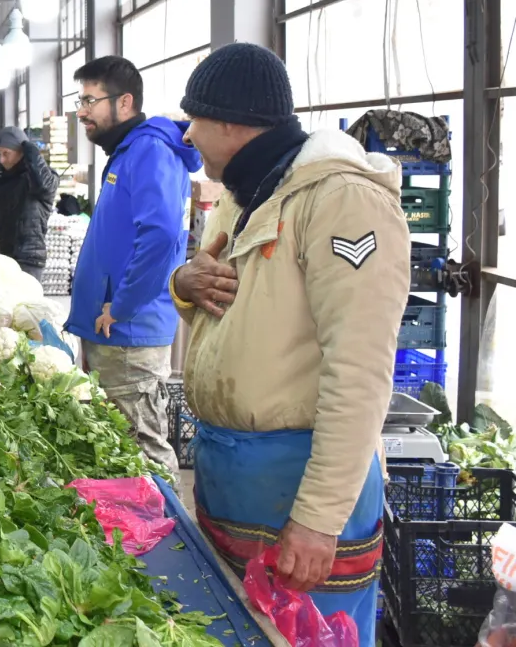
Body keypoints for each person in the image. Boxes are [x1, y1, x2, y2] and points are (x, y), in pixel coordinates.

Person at [170, 44, 408, 647]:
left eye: (195, 117)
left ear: (230, 122)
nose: (189, 131)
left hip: (298, 479)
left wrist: (318, 518)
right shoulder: (243, 193)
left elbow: (359, 371)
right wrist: (184, 283)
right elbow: (226, 302)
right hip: (232, 474)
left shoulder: (342, 202)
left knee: (309, 634)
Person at [63, 56, 200, 480]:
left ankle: (170, 542)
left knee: (142, 449)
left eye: (90, 100)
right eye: (79, 99)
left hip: (128, 332)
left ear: (125, 102)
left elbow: (159, 235)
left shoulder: (148, 150)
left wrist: (120, 306)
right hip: (114, 329)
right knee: (121, 446)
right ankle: (136, 536)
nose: (81, 110)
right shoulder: (128, 150)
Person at [0, 126, 57, 281]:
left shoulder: (42, 178)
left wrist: (33, 154)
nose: (2, 160)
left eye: (6, 153)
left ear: (21, 152)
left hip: (27, 257)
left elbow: (43, 186)